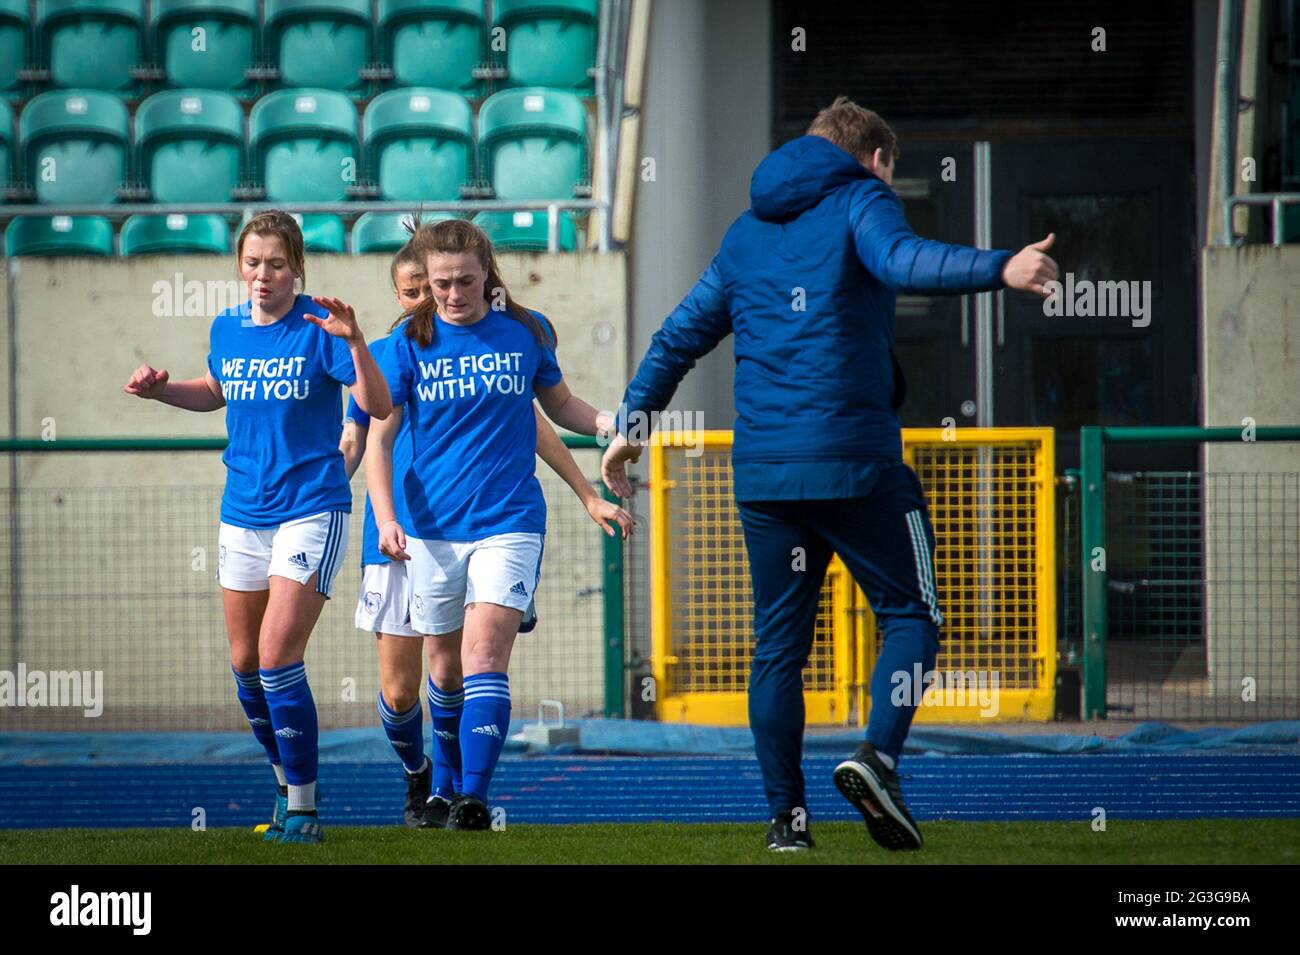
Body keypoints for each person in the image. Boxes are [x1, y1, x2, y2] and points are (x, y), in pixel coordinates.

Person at [600, 97, 1058, 852]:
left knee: (778, 646)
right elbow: (903, 260)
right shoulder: (861, 197)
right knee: (912, 615)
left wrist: (630, 429)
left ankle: (788, 821)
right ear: (875, 158)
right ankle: (878, 755)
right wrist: (1000, 265)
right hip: (856, 462)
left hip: (765, 476)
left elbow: (677, 337)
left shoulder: (746, 232)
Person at [342, 233, 632, 829]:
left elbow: (558, 406)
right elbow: (378, 436)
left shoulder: (525, 332)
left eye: (464, 282)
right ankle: (436, 783)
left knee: (483, 656)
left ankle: (472, 796)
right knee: (438, 673)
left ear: (487, 274)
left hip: (509, 520)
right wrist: (388, 518)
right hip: (428, 530)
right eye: (439, 283)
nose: (450, 294)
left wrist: (611, 426)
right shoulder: (405, 346)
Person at [123, 209, 392, 845]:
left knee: (276, 657)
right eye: (253, 263)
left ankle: (304, 810)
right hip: (242, 511)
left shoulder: (321, 330)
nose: (263, 275)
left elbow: (378, 406)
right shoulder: (227, 327)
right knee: (245, 664)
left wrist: (354, 341)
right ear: (239, 267)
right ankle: (285, 781)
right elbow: (216, 389)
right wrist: (163, 391)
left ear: (297, 267)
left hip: (310, 509)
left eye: (276, 263)